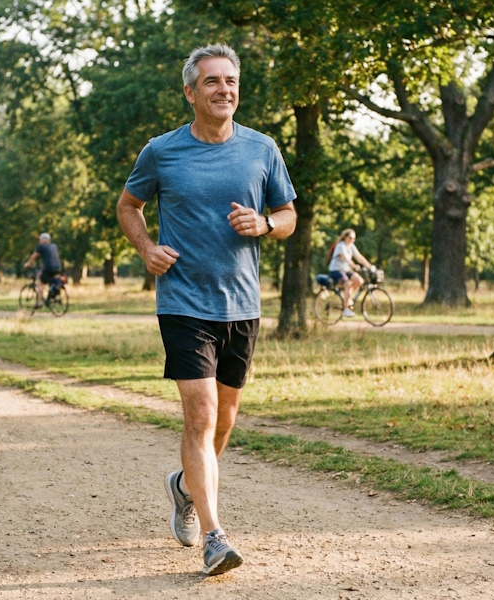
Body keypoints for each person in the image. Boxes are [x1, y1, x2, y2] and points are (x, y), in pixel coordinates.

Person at [116, 44, 296, 576]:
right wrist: (147, 250)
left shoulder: (262, 149)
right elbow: (129, 206)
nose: (225, 90)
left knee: (225, 419)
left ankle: (184, 487)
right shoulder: (162, 152)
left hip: (241, 302)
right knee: (200, 413)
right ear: (191, 92)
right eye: (213, 82)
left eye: (232, 81)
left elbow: (287, 214)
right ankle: (215, 537)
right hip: (182, 301)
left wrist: (264, 224)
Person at [328, 229, 373, 317]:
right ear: (345, 237)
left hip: (345, 270)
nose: (352, 240)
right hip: (336, 270)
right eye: (350, 238)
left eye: (354, 238)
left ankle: (347, 298)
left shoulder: (351, 246)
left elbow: (359, 257)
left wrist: (370, 266)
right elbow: (344, 258)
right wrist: (354, 265)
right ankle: (346, 309)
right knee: (348, 284)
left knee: (359, 281)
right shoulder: (340, 246)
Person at [23, 233, 62, 308]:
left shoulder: (41, 246)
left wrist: (28, 264)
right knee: (53, 280)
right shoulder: (54, 246)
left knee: (40, 282)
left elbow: (33, 257)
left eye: (40, 239)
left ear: (43, 239)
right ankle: (54, 295)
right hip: (58, 268)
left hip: (49, 268)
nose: (40, 241)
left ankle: (39, 302)